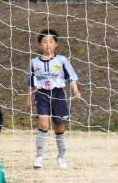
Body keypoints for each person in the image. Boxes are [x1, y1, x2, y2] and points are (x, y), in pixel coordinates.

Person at [26, 28, 80, 169]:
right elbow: (31, 83)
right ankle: (39, 157)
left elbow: (71, 77)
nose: (48, 44)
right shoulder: (33, 62)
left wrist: (76, 90)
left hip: (58, 95)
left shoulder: (62, 60)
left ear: (56, 44)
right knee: (43, 124)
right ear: (39, 44)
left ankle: (61, 157)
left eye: (51, 41)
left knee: (59, 127)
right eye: (44, 41)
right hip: (42, 94)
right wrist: (28, 99)